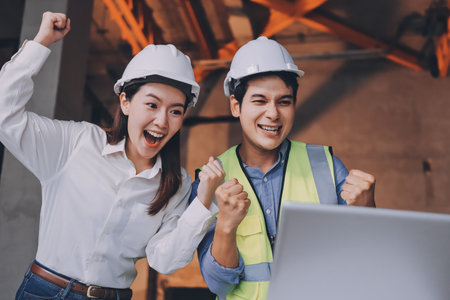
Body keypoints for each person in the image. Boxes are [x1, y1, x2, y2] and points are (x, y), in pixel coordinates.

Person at [0, 12, 225, 300]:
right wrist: (41, 42)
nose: (162, 121)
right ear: (126, 102)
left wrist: (204, 201)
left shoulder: (175, 183)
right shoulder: (77, 143)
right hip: (45, 292)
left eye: (176, 111)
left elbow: (164, 261)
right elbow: (5, 114)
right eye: (152, 104)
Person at [189, 36, 376, 300]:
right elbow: (219, 285)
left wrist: (367, 213)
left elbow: (363, 262)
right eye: (259, 100)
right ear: (235, 106)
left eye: (284, 101)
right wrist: (226, 227)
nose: (273, 113)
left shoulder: (326, 167)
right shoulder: (210, 180)